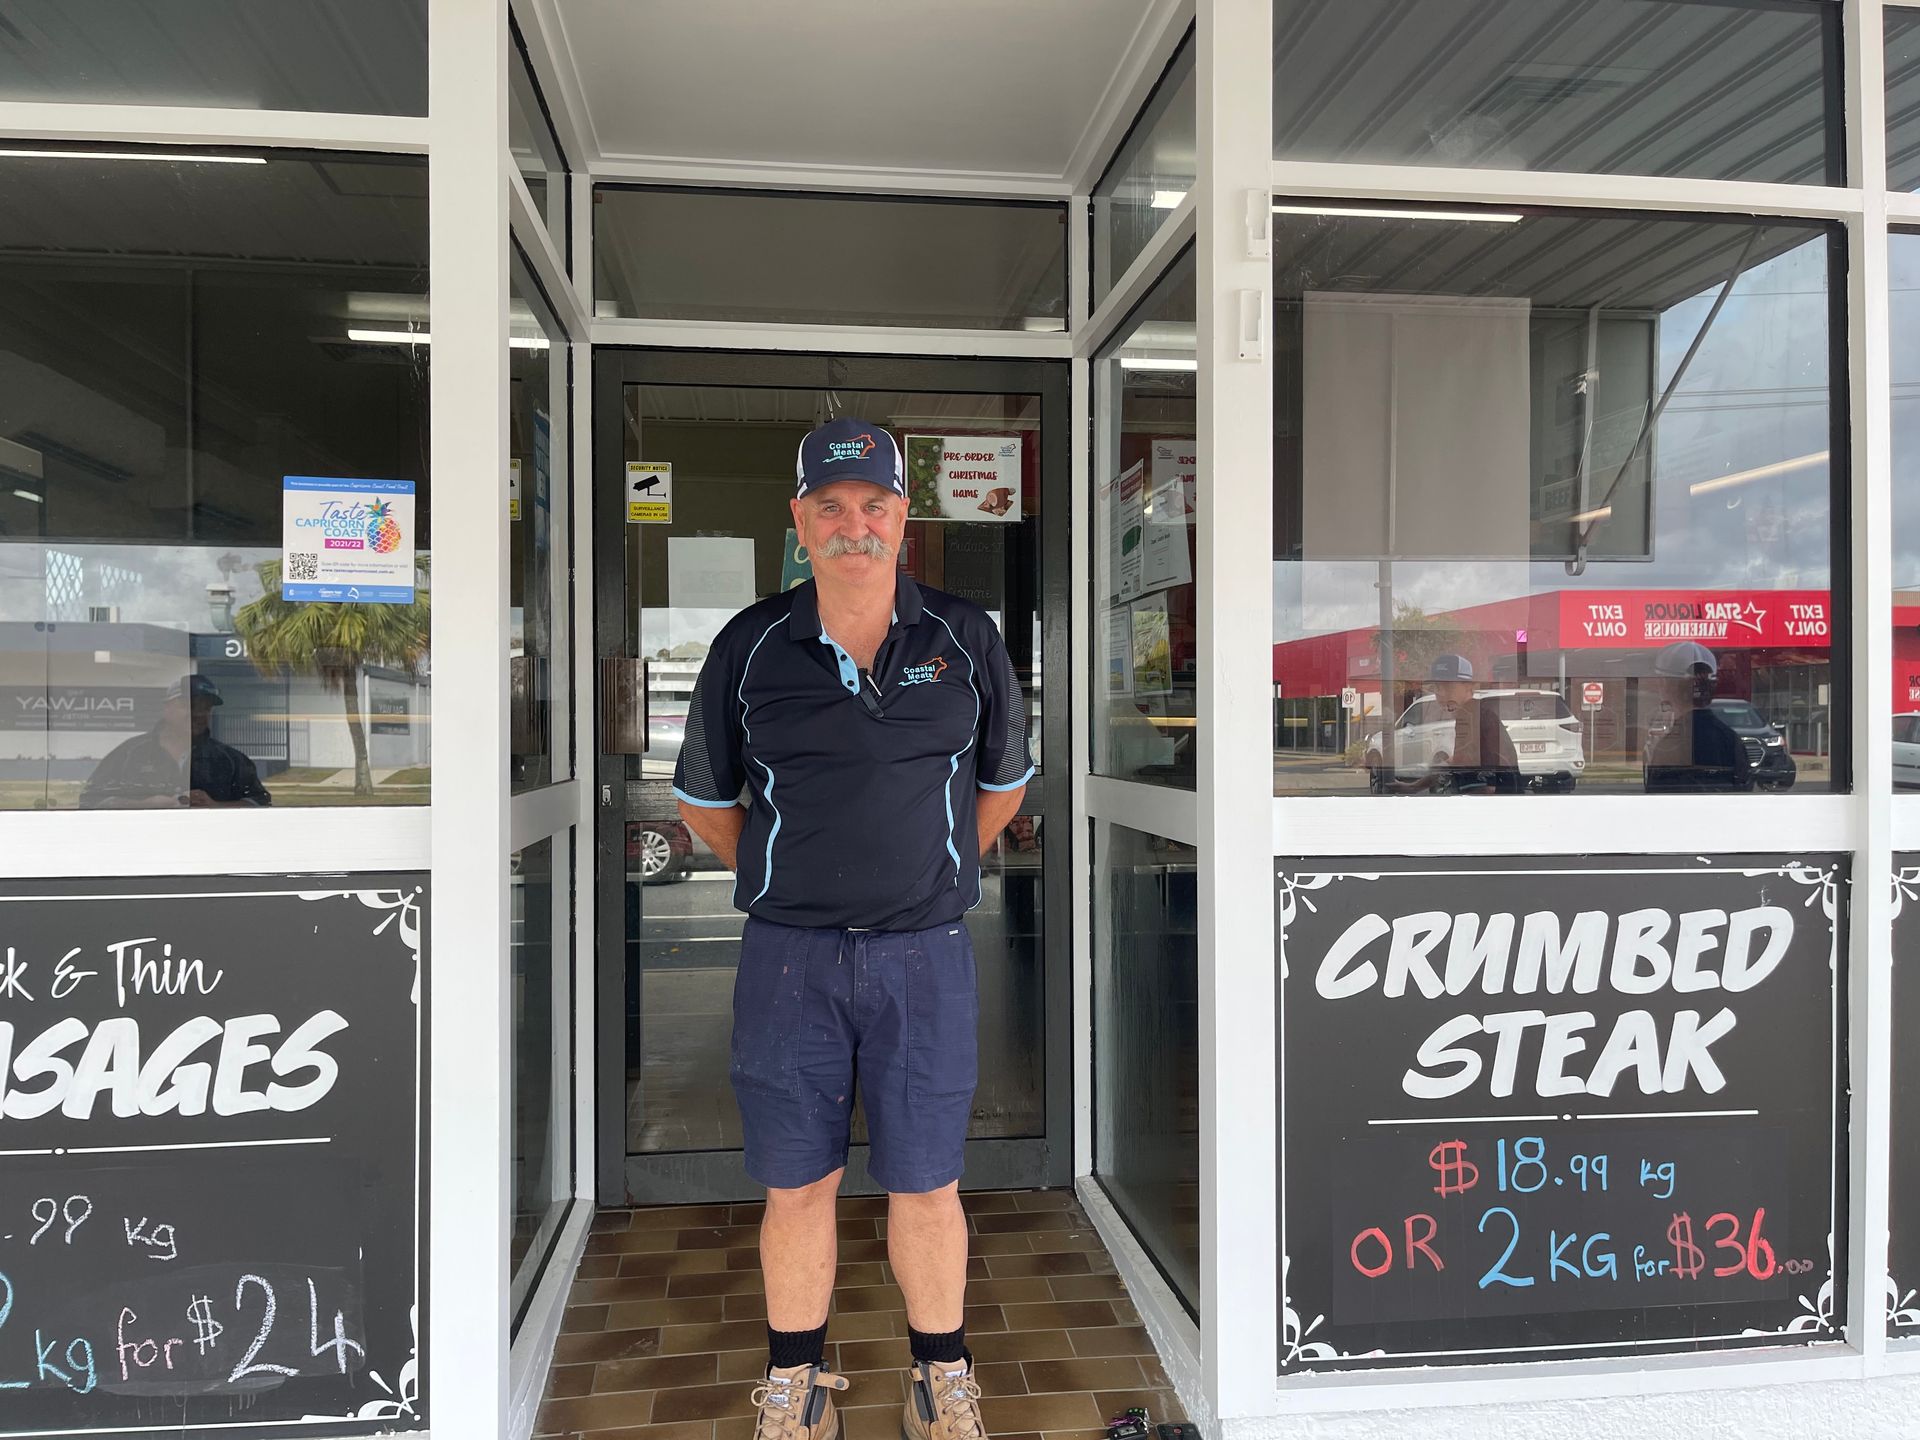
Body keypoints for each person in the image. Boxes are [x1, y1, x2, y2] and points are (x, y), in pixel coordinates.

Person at [672, 417, 1031, 1440]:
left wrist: (933, 868)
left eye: (874, 506)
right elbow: (704, 806)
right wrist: (794, 878)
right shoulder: (749, 644)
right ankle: (796, 1386)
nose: (853, 526)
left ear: (903, 519)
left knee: (927, 1183)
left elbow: (1002, 787)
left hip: (926, 956)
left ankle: (939, 1380)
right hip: (790, 959)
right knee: (799, 1183)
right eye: (830, 507)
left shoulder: (963, 637)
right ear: (799, 521)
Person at [80, 674, 272, 809]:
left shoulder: (230, 760)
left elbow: (260, 804)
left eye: (205, 708)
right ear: (167, 708)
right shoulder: (130, 753)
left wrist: (215, 806)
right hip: (144, 852)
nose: (198, 713)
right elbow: (90, 801)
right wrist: (145, 805)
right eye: (189, 705)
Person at [1643, 640, 1753, 792]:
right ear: (1712, 687)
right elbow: (1744, 792)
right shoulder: (1731, 740)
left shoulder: (1670, 747)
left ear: (1665, 685)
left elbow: (1657, 802)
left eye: (1660, 679)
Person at [1424, 653, 1522, 795]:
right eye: (1437, 687)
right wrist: (1414, 786)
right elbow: (1459, 759)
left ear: (1469, 687)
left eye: (1448, 686)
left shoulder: (1470, 714)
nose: (1441, 693)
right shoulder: (1474, 712)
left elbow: (1485, 783)